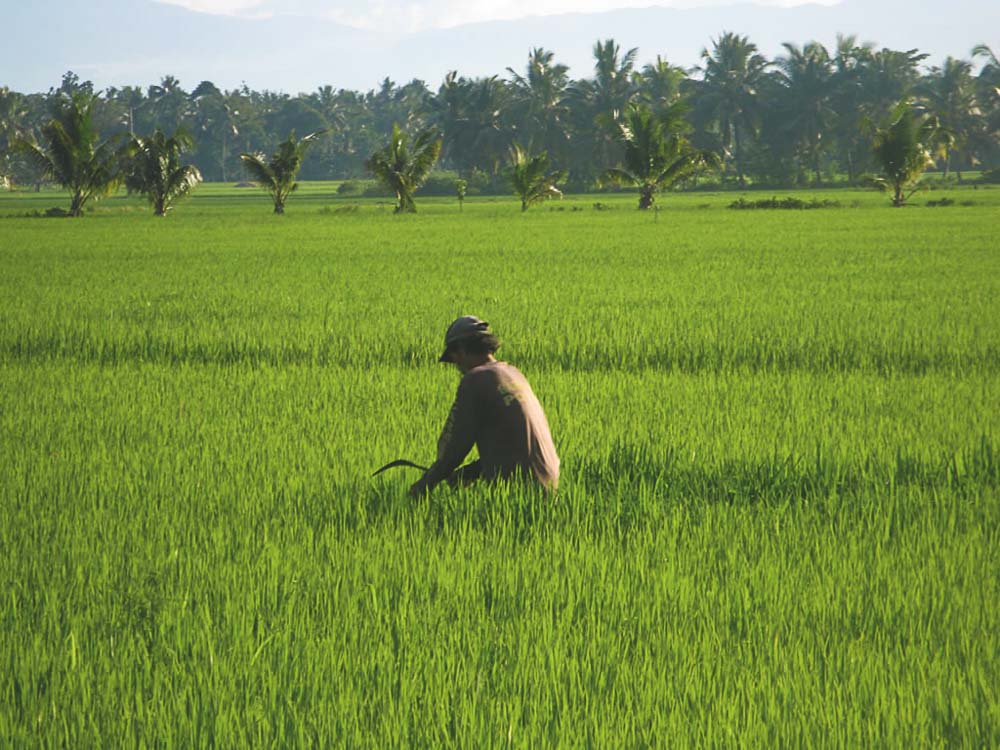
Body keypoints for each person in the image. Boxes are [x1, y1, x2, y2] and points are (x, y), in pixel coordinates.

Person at [409, 316, 560, 496]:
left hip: (519, 494)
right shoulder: (513, 373)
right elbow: (517, 444)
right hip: (549, 487)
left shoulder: (475, 380)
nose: (457, 366)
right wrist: (471, 472)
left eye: (455, 358)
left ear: (463, 350)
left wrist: (424, 485)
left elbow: (454, 448)